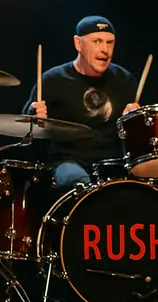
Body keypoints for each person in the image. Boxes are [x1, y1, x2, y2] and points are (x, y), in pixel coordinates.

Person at [22, 15, 141, 189]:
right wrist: (34, 117)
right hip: (68, 160)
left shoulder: (124, 80)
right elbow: (23, 129)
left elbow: (137, 138)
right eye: (97, 41)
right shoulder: (53, 80)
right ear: (78, 44)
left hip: (113, 162)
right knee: (77, 182)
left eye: (110, 43)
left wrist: (134, 121)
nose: (105, 50)